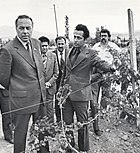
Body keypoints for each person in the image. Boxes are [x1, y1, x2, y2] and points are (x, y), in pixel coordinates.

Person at [0, 15, 48, 153]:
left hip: (40, 99)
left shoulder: (36, 44)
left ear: (32, 28)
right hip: (21, 101)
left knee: (43, 134)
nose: (25, 31)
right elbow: (2, 78)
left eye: (28, 28)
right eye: (21, 28)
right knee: (20, 136)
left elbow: (39, 70)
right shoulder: (8, 49)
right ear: (16, 29)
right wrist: (18, 89)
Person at [62, 24, 115, 153]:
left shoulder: (90, 53)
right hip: (66, 95)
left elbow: (100, 63)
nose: (75, 40)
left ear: (85, 39)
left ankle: (83, 149)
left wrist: (111, 67)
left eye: (78, 37)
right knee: (67, 123)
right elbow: (65, 73)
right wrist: (61, 91)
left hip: (81, 95)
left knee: (83, 125)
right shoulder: (69, 51)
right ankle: (70, 147)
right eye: (74, 37)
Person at [91, 29, 122, 135]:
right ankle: (95, 122)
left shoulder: (114, 48)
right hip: (96, 76)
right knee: (93, 100)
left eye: (105, 36)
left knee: (106, 98)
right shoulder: (95, 47)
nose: (103, 37)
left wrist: (114, 70)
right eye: (101, 36)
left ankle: (103, 117)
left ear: (109, 37)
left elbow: (119, 61)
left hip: (108, 77)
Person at [39, 36, 59, 123]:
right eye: (42, 46)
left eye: (46, 46)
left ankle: (51, 130)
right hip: (39, 89)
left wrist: (49, 83)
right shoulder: (35, 57)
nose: (44, 48)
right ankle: (41, 131)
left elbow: (56, 73)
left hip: (50, 88)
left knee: (50, 110)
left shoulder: (53, 56)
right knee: (40, 110)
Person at [52, 36, 69, 122]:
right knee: (57, 101)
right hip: (56, 82)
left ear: (65, 44)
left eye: (62, 44)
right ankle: (58, 120)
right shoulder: (52, 54)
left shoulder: (69, 54)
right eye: (59, 44)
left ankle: (66, 120)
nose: (61, 46)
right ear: (56, 44)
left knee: (66, 101)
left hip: (67, 82)